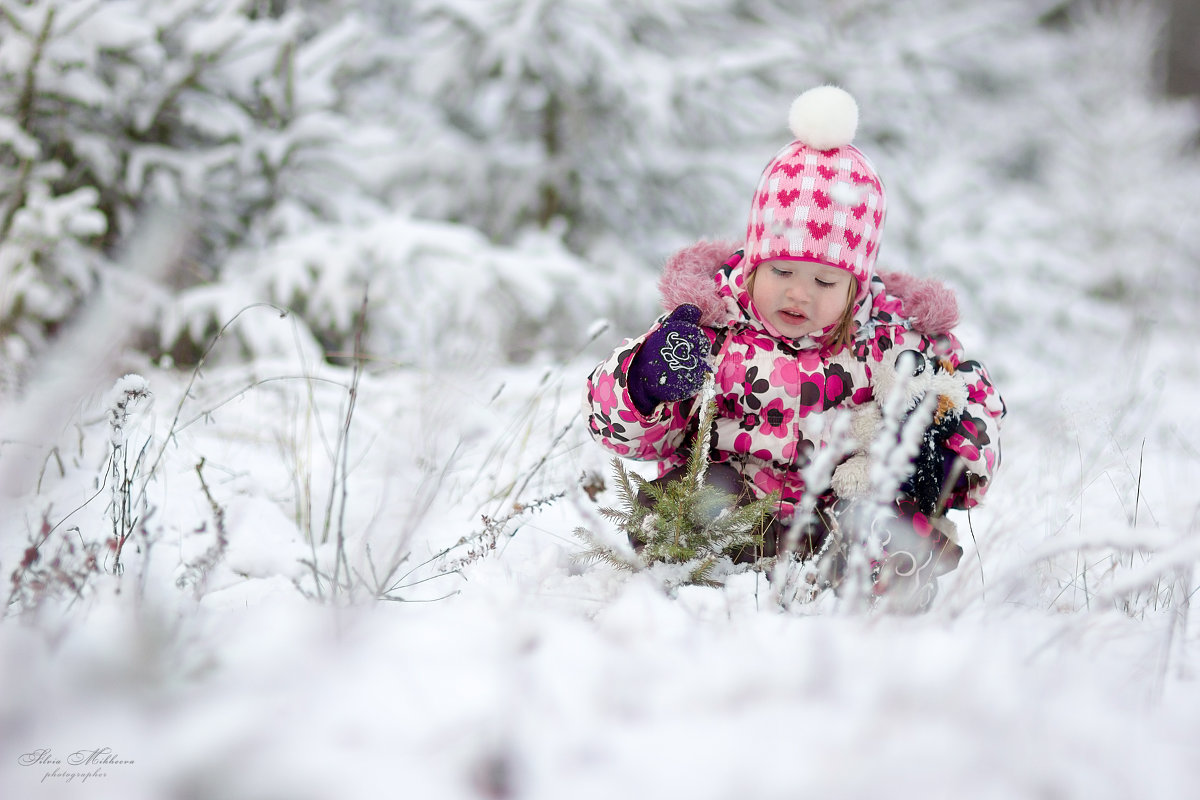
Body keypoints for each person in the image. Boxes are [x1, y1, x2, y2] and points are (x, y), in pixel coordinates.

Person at [582, 86, 1005, 609]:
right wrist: (644, 385)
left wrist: (945, 451)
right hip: (735, 504)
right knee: (691, 502)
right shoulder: (710, 325)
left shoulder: (894, 337)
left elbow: (973, 401)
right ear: (755, 260)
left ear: (856, 284)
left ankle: (877, 580)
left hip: (838, 515)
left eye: (826, 282)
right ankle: (695, 574)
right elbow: (617, 431)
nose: (799, 292)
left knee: (884, 521)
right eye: (781, 271)